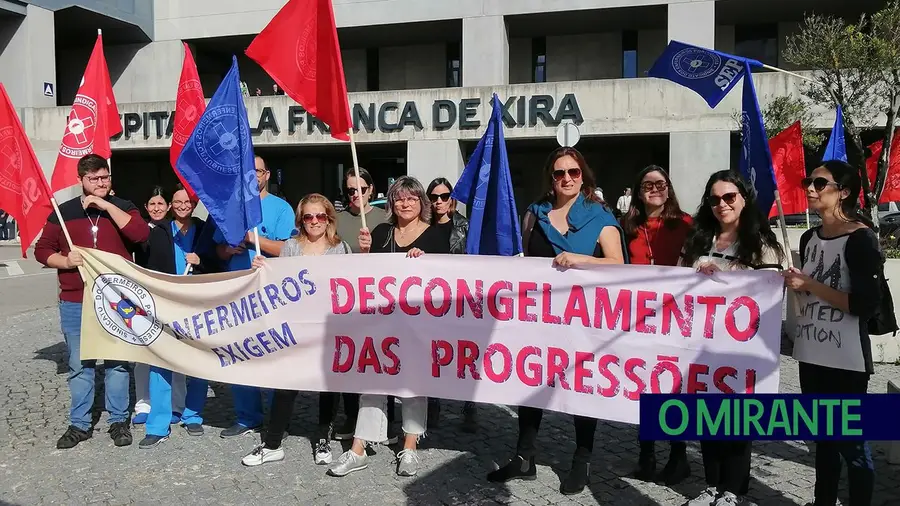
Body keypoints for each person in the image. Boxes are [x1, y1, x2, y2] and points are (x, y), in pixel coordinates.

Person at [488, 147, 627, 495]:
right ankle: (524, 457)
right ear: (550, 178)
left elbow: (618, 264)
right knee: (530, 382)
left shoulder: (600, 216)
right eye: (558, 173)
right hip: (538, 317)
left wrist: (581, 260)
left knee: (582, 385)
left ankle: (582, 461)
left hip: (583, 318)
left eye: (573, 172)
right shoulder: (535, 213)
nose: (566, 178)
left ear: (584, 175)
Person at [327, 176, 450, 478]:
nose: (404, 203)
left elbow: (444, 281)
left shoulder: (435, 236)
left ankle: (409, 446)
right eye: (398, 198)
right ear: (391, 203)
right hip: (380, 321)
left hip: (418, 324)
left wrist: (426, 262)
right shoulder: (381, 232)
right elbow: (368, 277)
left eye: (411, 198)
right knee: (371, 382)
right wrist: (366, 253)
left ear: (421, 202)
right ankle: (358, 448)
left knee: (413, 385)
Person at [680, 170, 784, 506]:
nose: (721, 204)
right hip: (703, 346)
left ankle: (732, 490)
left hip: (743, 348)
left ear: (743, 198)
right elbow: (676, 282)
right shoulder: (697, 240)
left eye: (729, 197)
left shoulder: (762, 245)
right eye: (714, 199)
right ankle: (711, 484)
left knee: (738, 419)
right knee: (709, 417)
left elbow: (769, 292)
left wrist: (727, 278)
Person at [34, 154, 151, 449]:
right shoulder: (63, 213)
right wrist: (64, 259)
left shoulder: (123, 206)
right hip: (76, 300)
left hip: (117, 300)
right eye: (94, 179)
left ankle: (118, 421)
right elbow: (42, 250)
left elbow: (140, 234)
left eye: (105, 177)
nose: (101, 183)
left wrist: (106, 205)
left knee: (117, 363)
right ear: (81, 181)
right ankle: (80, 424)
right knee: (80, 364)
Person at [785, 160, 879, 506]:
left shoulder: (861, 239)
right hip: (812, 353)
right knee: (823, 438)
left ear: (844, 191)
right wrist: (799, 286)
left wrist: (810, 284)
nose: (810, 189)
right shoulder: (809, 237)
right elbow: (810, 291)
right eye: (808, 182)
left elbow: (864, 305)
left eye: (820, 183)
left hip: (846, 358)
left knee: (851, 443)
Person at [241, 193, 353, 467]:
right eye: (308, 216)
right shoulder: (291, 247)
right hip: (296, 326)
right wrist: (262, 268)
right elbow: (276, 280)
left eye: (320, 216)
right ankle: (272, 443)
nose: (314, 221)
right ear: (301, 220)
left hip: (329, 326)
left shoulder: (341, 248)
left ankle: (323, 438)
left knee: (328, 385)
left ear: (329, 218)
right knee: (286, 385)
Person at [621, 165, 693, 485]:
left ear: (669, 187)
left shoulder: (687, 224)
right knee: (646, 387)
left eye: (660, 184)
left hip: (678, 318)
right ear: (638, 191)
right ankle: (646, 453)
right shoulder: (627, 225)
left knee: (675, 387)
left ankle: (679, 455)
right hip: (641, 319)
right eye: (647, 184)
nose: (654, 189)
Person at [215, 155, 296, 438]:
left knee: (273, 355)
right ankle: (247, 417)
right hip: (238, 294)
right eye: (248, 173)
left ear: (267, 175)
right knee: (239, 354)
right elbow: (218, 250)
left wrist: (252, 240)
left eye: (258, 172)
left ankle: (278, 419)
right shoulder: (230, 208)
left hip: (272, 294)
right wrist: (228, 250)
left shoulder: (281, 208)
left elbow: (288, 249)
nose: (253, 177)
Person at [137, 184, 213, 448]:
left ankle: (193, 414)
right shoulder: (159, 230)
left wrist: (200, 260)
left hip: (197, 305)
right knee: (162, 362)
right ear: (171, 204)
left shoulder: (203, 229)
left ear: (194, 204)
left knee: (199, 360)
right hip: (166, 305)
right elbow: (147, 266)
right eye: (177, 201)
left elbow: (216, 263)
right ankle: (158, 423)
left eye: (188, 201)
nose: (183, 206)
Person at [331, 166, 390, 441]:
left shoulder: (384, 218)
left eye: (360, 189)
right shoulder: (337, 219)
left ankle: (385, 418)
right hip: (347, 302)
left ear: (371, 190)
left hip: (379, 302)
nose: (355, 194)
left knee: (382, 358)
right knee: (350, 359)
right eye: (350, 190)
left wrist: (370, 251)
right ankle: (352, 415)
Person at [425, 176, 476, 432]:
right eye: (434, 197)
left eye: (444, 197)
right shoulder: (422, 227)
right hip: (429, 302)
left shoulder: (465, 227)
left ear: (452, 199)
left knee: (464, 354)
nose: (439, 202)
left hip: (459, 300)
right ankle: (432, 404)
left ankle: (469, 406)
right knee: (432, 353)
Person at [132, 186, 186, 425]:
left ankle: (177, 405)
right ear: (146, 207)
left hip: (171, 300)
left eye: (160, 204)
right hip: (144, 299)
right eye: (152, 204)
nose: (156, 208)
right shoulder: (139, 231)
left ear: (168, 207)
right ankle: (143, 403)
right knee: (143, 355)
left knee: (176, 354)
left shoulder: (176, 231)